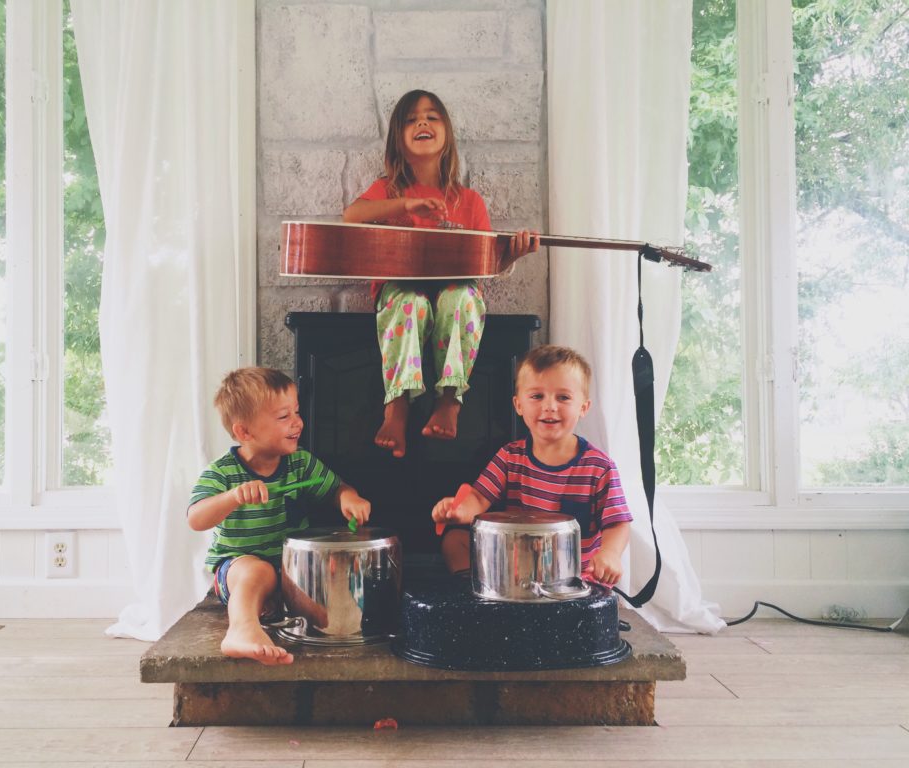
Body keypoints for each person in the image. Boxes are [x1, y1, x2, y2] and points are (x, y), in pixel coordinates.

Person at [343, 89, 539, 458]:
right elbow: (351, 217)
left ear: (446, 133)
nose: (423, 123)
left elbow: (484, 267)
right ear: (397, 139)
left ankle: (450, 398)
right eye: (412, 119)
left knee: (461, 298)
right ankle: (397, 404)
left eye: (432, 117)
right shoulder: (387, 190)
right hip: (400, 291)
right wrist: (406, 203)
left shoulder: (469, 201)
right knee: (408, 302)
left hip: (455, 289)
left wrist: (511, 257)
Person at [187, 366, 371, 665]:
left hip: (290, 571)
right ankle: (241, 629)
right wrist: (233, 497)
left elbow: (336, 488)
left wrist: (349, 499)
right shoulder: (222, 472)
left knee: (330, 576)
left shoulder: (300, 463)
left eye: (296, 412)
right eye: (283, 417)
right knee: (257, 572)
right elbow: (196, 518)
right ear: (244, 432)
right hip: (237, 570)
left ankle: (276, 611)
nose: (297, 423)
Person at [431, 345, 632, 585]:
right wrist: (460, 511)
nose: (549, 406)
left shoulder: (599, 467)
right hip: (514, 570)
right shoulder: (510, 456)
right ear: (518, 406)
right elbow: (479, 496)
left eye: (563, 397)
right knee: (455, 541)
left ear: (583, 407)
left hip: (572, 575)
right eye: (537, 396)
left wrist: (610, 553)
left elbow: (618, 523)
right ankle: (477, 596)